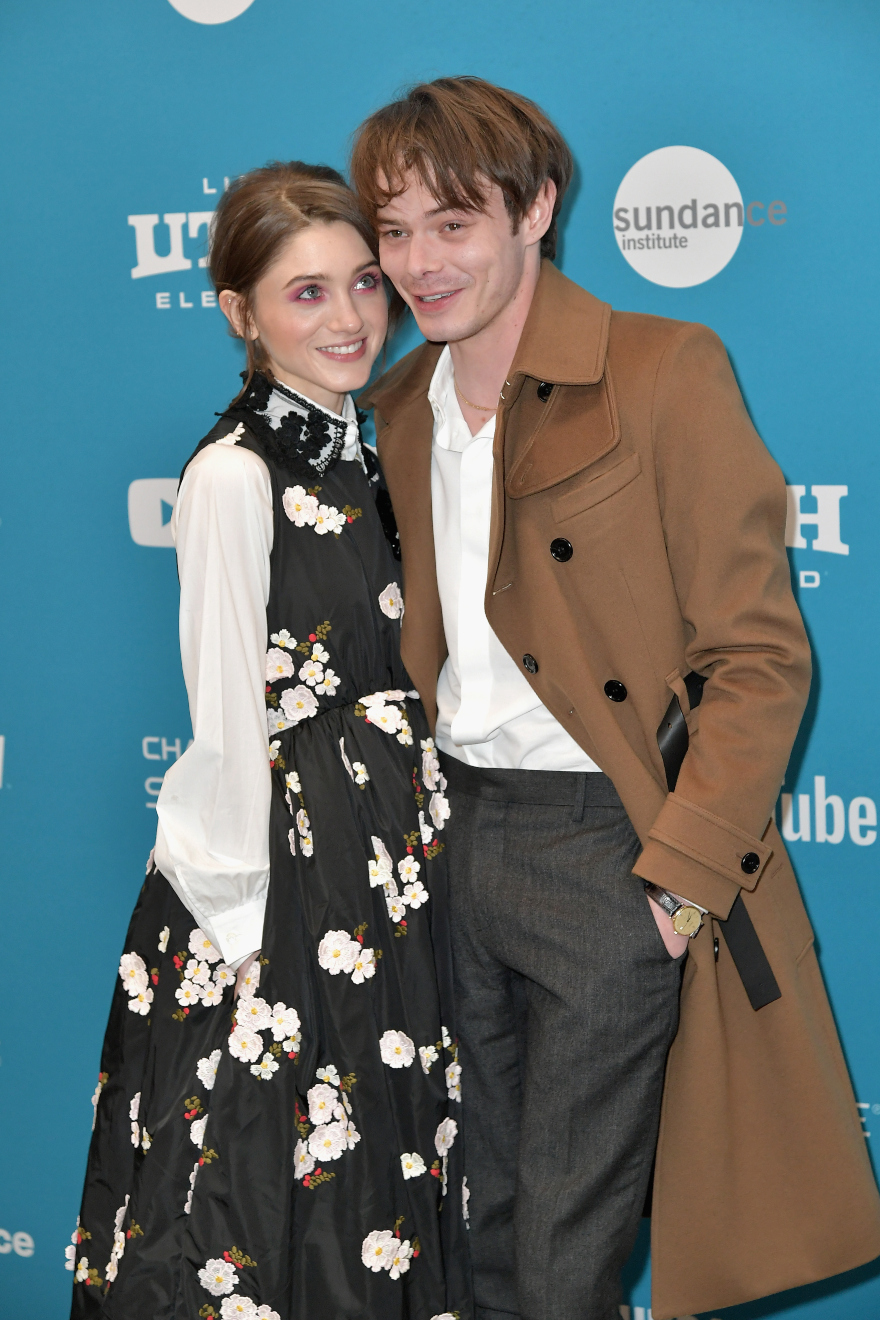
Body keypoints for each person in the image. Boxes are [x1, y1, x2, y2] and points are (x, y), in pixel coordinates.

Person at [350, 78, 880, 1320]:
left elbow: (757, 655)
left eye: (453, 223)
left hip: (605, 852)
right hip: (448, 844)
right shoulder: (396, 414)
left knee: (559, 1266)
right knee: (471, 1233)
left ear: (536, 208)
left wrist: (678, 882)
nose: (420, 264)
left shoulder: (658, 370)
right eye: (395, 231)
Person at [70, 161, 470, 1320]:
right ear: (239, 312)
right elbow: (225, 721)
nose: (349, 318)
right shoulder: (232, 476)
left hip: (395, 867)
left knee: (387, 1184)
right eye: (306, 293)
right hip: (286, 884)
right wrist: (251, 940)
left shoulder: (377, 452)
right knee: (260, 1207)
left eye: (363, 283)